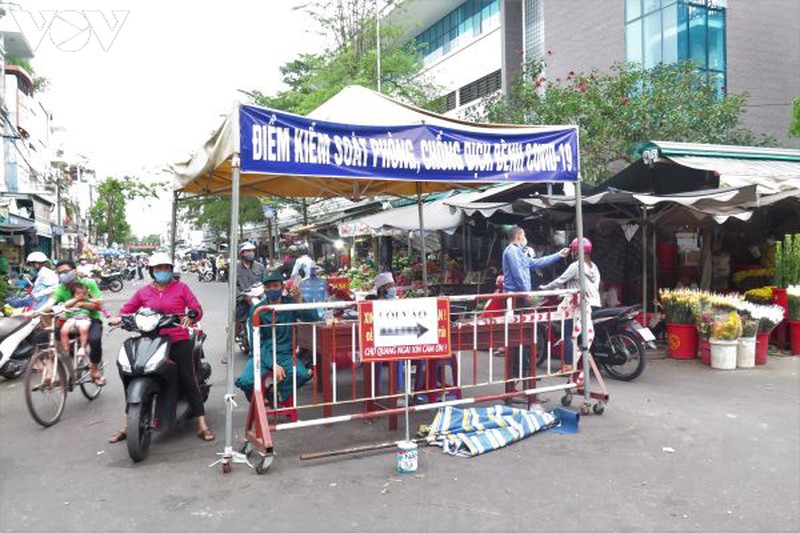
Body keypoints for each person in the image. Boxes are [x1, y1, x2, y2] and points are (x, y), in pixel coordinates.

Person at [108, 252, 213, 443]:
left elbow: (196, 309)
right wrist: (118, 318)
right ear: (152, 271)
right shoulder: (143, 292)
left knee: (188, 379)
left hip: (178, 339)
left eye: (166, 268)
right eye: (158, 268)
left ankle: (202, 424)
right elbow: (127, 310)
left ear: (171, 270)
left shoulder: (182, 288)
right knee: (132, 375)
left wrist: (191, 315)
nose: (163, 271)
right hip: (151, 340)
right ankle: (128, 425)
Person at [235, 270, 320, 404]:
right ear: (264, 289)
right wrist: (273, 365)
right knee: (246, 382)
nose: (272, 289)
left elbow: (313, 318)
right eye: (268, 287)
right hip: (263, 354)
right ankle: (258, 403)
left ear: (282, 286)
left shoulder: (290, 304)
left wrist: (300, 300)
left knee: (301, 374)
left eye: (275, 286)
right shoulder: (258, 310)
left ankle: (275, 393)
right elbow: (256, 343)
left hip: (285, 354)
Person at [40, 260, 107, 384]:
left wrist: (81, 304)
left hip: (91, 319)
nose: (62, 275)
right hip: (69, 321)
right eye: (59, 273)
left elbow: (99, 305)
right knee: (41, 339)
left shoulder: (88, 284)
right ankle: (50, 371)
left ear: (74, 271)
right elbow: (49, 304)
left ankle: (94, 369)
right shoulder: (61, 288)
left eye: (65, 271)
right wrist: (37, 311)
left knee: (94, 340)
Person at [539, 237, 601, 370]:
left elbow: (560, 280)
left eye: (573, 250)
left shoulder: (576, 266)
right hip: (595, 304)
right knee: (586, 333)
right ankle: (586, 363)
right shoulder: (594, 267)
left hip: (579, 305)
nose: (572, 253)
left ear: (577, 252)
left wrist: (544, 288)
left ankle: (568, 364)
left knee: (568, 333)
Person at [502, 227, 569, 306]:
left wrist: (558, 255)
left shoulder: (519, 252)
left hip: (520, 295)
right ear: (519, 237)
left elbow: (538, 262)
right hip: (515, 295)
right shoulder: (512, 250)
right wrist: (525, 293)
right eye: (524, 235)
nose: (525, 238)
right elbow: (517, 274)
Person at [59, 283, 93, 361]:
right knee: (63, 331)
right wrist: (76, 299)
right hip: (72, 319)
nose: (81, 295)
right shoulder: (71, 301)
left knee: (83, 329)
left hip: (83, 319)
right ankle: (66, 350)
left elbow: (93, 305)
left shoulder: (87, 300)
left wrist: (84, 301)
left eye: (84, 293)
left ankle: (82, 348)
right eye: (78, 293)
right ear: (73, 294)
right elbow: (66, 305)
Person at [236, 242, 266, 320]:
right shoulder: (235, 269)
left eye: (252, 251)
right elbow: (234, 288)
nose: (251, 253)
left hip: (259, 302)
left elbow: (265, 282)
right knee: (241, 322)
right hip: (242, 304)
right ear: (242, 253)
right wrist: (244, 297)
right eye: (248, 251)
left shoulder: (260, 267)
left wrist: (260, 295)